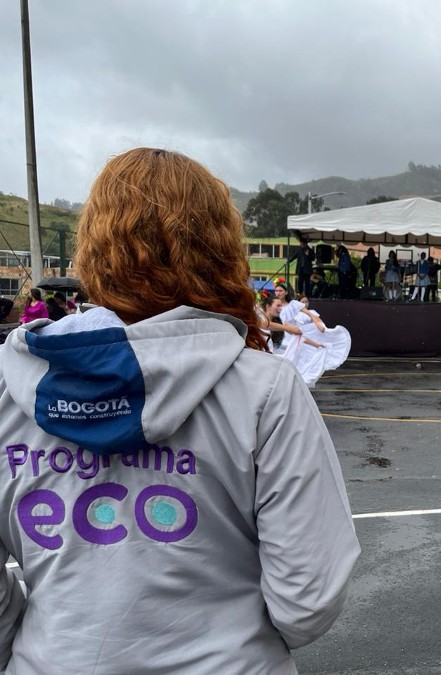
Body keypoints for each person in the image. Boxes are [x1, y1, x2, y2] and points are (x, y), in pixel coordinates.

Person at [0, 147, 359, 672]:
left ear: (94, 248)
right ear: (218, 250)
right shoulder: (265, 390)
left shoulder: (10, 390)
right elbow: (307, 601)